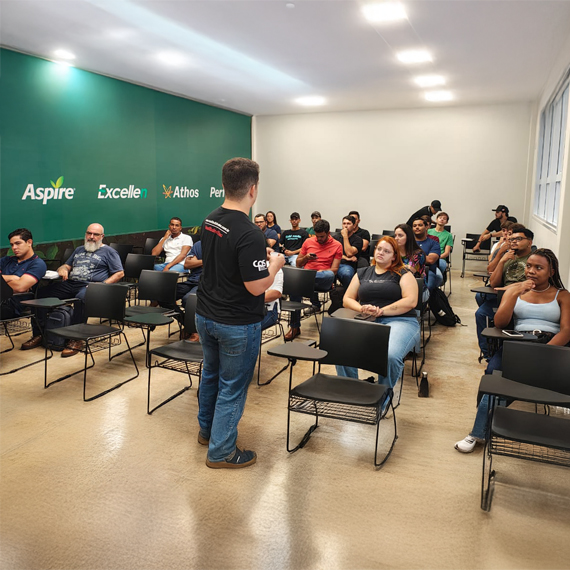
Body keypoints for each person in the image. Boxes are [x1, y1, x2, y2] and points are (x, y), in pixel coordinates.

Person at [195, 157, 285, 469]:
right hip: (235, 322)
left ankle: (207, 431)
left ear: (224, 186)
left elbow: (225, 262)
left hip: (205, 314)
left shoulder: (210, 220)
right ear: (253, 189)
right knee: (232, 387)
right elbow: (257, 287)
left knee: (211, 374)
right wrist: (274, 264)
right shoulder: (250, 232)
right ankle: (221, 452)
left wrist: (258, 258)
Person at [456, 249, 570, 453]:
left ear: (551, 271)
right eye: (529, 266)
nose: (531, 271)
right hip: (518, 344)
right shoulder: (515, 290)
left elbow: (567, 330)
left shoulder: (562, 295)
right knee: (493, 376)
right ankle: (477, 433)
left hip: (551, 346)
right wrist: (514, 293)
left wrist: (546, 353)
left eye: (538, 267)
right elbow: (499, 323)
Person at [21, 223, 124, 357]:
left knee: (82, 298)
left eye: (95, 234)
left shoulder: (109, 252)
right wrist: (63, 269)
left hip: (90, 286)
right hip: (70, 283)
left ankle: (76, 339)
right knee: (41, 294)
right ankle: (39, 334)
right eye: (89, 233)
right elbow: (66, 266)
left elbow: (119, 273)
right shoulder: (79, 249)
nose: (91, 237)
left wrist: (101, 285)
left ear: (102, 236)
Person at [335, 236, 420, 390]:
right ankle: (350, 391)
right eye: (379, 249)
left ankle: (382, 398)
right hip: (367, 319)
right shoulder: (363, 272)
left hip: (401, 321)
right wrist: (362, 308)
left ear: (394, 256)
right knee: (341, 348)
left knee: (390, 355)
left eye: (387, 251)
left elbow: (411, 301)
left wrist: (381, 311)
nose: (381, 252)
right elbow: (347, 299)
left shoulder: (403, 273)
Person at [475, 225, 534, 360]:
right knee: (481, 313)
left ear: (529, 242)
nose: (513, 241)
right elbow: (494, 283)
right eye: (512, 239)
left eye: (518, 239)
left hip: (524, 298)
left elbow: (531, 284)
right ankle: (488, 354)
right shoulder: (508, 256)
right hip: (504, 298)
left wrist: (509, 288)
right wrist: (501, 261)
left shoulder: (533, 259)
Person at [285, 219, 342, 341]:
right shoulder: (308, 242)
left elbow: (334, 270)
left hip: (322, 279)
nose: (319, 239)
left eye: (321, 236)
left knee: (328, 275)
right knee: (295, 288)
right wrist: (306, 257)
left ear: (328, 233)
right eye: (317, 236)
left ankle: (302, 278)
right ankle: (295, 327)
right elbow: (298, 264)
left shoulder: (337, 245)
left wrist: (319, 272)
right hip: (306, 278)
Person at [159, 240, 203, 341]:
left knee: (188, 299)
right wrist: (205, 261)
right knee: (163, 294)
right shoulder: (199, 244)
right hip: (192, 280)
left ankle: (194, 332)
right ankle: (188, 325)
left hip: (207, 282)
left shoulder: (221, 245)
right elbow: (187, 264)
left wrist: (196, 262)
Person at [0, 228, 47, 320]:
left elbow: (19, 287)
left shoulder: (37, 264)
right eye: (12, 245)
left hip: (11, 305)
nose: (14, 248)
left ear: (29, 242)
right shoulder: (7, 260)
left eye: (18, 243)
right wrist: (13, 278)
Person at [394, 223, 428, 302]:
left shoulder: (418, 254)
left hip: (417, 288)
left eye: (400, 235)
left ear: (408, 237)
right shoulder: (393, 253)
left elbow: (411, 272)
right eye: (395, 235)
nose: (396, 238)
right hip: (397, 286)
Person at [411, 217, 442, 292]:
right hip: (408, 270)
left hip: (427, 271)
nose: (417, 227)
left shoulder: (434, 243)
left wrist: (412, 258)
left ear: (426, 227)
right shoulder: (408, 243)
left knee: (427, 287)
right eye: (414, 226)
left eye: (420, 225)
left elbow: (430, 260)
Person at [334, 215, 363, 288]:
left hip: (347, 266)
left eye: (348, 223)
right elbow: (330, 253)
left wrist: (345, 236)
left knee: (346, 274)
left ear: (354, 226)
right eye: (344, 223)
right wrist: (345, 258)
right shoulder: (335, 238)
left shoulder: (358, 240)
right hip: (333, 263)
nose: (346, 226)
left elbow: (349, 253)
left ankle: (348, 294)